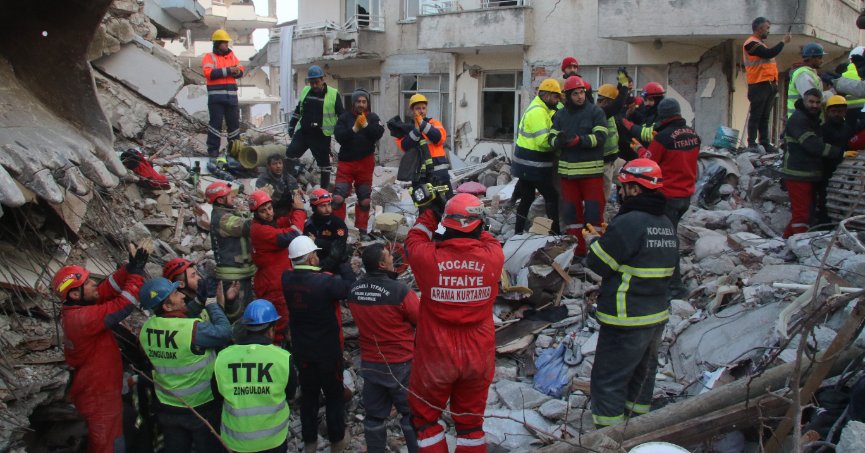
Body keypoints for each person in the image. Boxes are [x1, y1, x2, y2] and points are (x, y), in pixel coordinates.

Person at [405, 193, 505, 452]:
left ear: (447, 225)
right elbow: (485, 235)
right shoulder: (493, 256)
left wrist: (431, 214)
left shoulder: (426, 258)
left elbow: (414, 238)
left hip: (436, 355)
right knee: (471, 426)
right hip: (478, 355)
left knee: (425, 423)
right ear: (478, 225)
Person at [586, 159, 678, 428]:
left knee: (608, 379)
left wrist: (594, 242)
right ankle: (637, 430)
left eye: (624, 186)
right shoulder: (665, 222)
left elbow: (599, 264)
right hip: (655, 314)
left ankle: (608, 437)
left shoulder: (629, 222)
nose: (620, 191)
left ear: (636, 189)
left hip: (625, 316)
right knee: (642, 377)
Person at [55, 243, 149, 453]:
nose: (94, 284)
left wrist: (129, 268)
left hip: (97, 390)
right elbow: (122, 305)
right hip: (99, 398)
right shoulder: (82, 319)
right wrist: (137, 276)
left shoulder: (79, 309)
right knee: (108, 445)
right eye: (87, 283)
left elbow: (108, 288)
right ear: (75, 295)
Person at [137, 277, 232, 453]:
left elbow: (178, 317)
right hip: (200, 406)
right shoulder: (191, 329)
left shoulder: (147, 328)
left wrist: (198, 301)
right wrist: (211, 302)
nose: (181, 295)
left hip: (167, 405)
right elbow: (224, 332)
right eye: (175, 294)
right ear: (167, 306)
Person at [282, 236, 357, 453]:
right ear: (311, 257)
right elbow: (349, 287)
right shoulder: (326, 282)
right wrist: (342, 263)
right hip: (327, 350)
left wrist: (327, 263)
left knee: (309, 395)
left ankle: (310, 442)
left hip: (302, 350)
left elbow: (309, 275)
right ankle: (337, 440)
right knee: (334, 396)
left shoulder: (286, 279)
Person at [347, 244, 420, 453]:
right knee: (410, 414)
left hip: (371, 363)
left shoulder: (354, 290)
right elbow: (420, 318)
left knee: (374, 416)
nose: (392, 258)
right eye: (388, 256)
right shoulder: (399, 291)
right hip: (400, 363)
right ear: (381, 264)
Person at [632, 98, 700, 299]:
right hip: (686, 195)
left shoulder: (663, 138)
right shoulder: (693, 135)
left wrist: (638, 149)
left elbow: (648, 162)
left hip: (667, 196)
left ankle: (674, 287)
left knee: (666, 242)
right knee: (670, 238)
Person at [214, 299, 292, 453]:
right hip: (273, 441)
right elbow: (289, 393)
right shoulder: (283, 358)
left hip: (235, 442)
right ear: (271, 329)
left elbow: (217, 395)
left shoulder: (223, 357)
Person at [549, 76, 608, 256]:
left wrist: (579, 141)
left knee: (593, 214)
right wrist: (557, 141)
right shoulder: (560, 115)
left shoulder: (595, 112)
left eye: (582, 92)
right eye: (575, 94)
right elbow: (550, 139)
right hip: (568, 175)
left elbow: (601, 137)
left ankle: (596, 253)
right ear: (567, 96)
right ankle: (577, 251)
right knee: (571, 215)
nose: (580, 96)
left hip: (591, 174)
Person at [782, 89, 846, 237]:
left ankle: (786, 240)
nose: (814, 105)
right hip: (797, 173)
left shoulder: (812, 119)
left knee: (805, 213)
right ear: (804, 102)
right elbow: (812, 145)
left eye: (817, 102)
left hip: (807, 174)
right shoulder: (799, 119)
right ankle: (799, 244)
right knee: (802, 215)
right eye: (811, 101)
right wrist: (840, 153)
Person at [248, 189, 306, 345]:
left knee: (282, 322)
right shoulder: (260, 230)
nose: (268, 213)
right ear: (255, 213)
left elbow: (283, 223)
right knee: (278, 326)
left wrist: (292, 204)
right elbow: (292, 235)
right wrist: (300, 210)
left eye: (269, 208)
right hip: (274, 284)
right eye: (263, 211)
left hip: (275, 281)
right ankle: (277, 356)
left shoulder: (265, 225)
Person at [511, 78, 562, 235]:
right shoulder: (538, 112)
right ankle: (555, 233)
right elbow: (543, 141)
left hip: (526, 165)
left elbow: (555, 109)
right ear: (546, 95)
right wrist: (561, 142)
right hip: (534, 166)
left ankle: (518, 233)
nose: (558, 101)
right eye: (556, 97)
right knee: (551, 197)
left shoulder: (541, 107)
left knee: (527, 199)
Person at [333, 88, 385, 236]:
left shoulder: (373, 117)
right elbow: (339, 136)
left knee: (365, 200)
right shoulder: (344, 117)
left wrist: (366, 126)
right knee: (337, 198)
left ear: (367, 103)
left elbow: (378, 133)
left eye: (364, 101)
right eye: (358, 101)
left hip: (365, 162)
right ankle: (338, 231)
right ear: (353, 103)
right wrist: (354, 128)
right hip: (346, 163)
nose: (361, 104)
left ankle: (362, 230)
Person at [287, 65, 345, 189]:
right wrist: (292, 125)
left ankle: (324, 191)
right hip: (304, 132)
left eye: (316, 82)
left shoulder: (333, 94)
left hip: (321, 135)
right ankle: (289, 186)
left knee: (324, 165)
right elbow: (298, 110)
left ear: (322, 80)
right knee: (290, 155)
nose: (314, 85)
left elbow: (342, 115)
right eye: (311, 82)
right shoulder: (305, 91)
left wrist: (342, 132)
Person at [206, 180, 255, 321]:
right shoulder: (221, 218)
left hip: (239, 274)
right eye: (229, 196)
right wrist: (258, 206)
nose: (233, 198)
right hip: (233, 277)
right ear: (221, 200)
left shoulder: (225, 214)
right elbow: (246, 227)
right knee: (239, 315)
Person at [743, 17, 791, 152]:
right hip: (758, 84)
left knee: (765, 116)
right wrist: (783, 42)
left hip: (768, 83)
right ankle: (751, 143)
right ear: (759, 29)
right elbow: (769, 53)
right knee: (756, 115)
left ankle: (764, 142)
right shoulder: (751, 43)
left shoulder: (760, 43)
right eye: (767, 28)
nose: (768, 31)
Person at [202, 29, 244, 158]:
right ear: (217, 43)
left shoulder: (232, 56)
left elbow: (241, 69)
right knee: (216, 124)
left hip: (231, 97)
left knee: (234, 125)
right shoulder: (209, 57)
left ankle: (234, 151)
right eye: (224, 43)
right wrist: (229, 70)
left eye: (227, 42)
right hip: (216, 98)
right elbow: (209, 73)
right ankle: (213, 151)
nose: (227, 45)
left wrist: (237, 71)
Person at [396, 94, 451, 190]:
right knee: (423, 203)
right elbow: (404, 147)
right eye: (418, 108)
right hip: (419, 176)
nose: (421, 111)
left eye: (423, 108)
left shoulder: (434, 123)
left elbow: (439, 138)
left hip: (439, 173)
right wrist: (416, 130)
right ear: (412, 110)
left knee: (445, 203)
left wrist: (422, 125)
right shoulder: (406, 129)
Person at [816, 95, 856, 226]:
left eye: (840, 111)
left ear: (845, 112)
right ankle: (825, 224)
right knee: (825, 199)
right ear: (828, 112)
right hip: (827, 170)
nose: (837, 114)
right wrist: (840, 154)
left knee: (844, 199)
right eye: (834, 111)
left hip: (845, 172)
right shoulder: (823, 130)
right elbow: (821, 150)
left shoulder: (848, 128)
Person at [596, 77, 630, 203]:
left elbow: (617, 104)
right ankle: (598, 221)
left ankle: (627, 209)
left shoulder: (607, 112)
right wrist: (624, 86)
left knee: (631, 176)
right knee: (602, 199)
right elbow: (618, 104)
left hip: (614, 161)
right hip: (603, 165)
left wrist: (621, 84)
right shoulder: (599, 113)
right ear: (606, 101)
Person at [303, 188, 350, 273]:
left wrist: (317, 241)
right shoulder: (309, 225)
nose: (328, 209)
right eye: (323, 206)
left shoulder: (338, 225)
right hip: (313, 266)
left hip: (335, 267)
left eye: (329, 205)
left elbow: (337, 251)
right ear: (314, 208)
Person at [787, 43, 828, 119]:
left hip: (803, 118)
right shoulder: (803, 75)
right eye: (820, 57)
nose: (822, 61)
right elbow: (813, 98)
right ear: (812, 58)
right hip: (800, 119)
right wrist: (832, 93)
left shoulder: (808, 73)